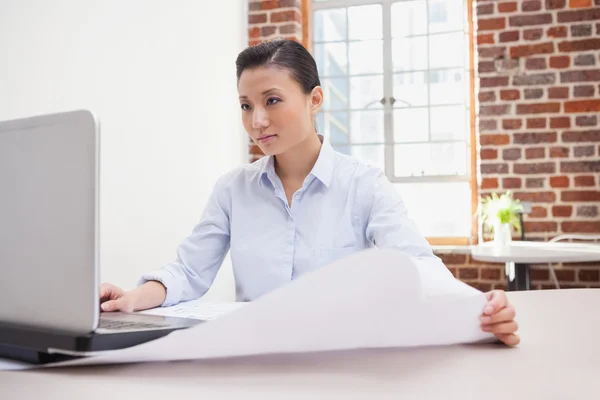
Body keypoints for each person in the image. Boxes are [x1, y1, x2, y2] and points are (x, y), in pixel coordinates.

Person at [100, 39, 519, 346]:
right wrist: (132, 298)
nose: (258, 120)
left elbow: (418, 265)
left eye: (272, 100)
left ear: (314, 98)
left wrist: (480, 309)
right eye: (246, 105)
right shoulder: (233, 188)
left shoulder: (364, 185)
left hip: (343, 358)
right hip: (254, 355)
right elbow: (189, 272)